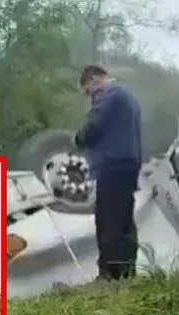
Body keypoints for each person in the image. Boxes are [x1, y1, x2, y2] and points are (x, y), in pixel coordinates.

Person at [74, 64, 143, 281]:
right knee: (124, 220)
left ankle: (110, 274)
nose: (90, 95)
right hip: (128, 163)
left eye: (88, 90)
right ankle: (127, 271)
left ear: (94, 80)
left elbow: (93, 126)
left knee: (108, 220)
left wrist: (78, 138)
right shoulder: (128, 95)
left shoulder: (108, 94)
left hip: (111, 164)